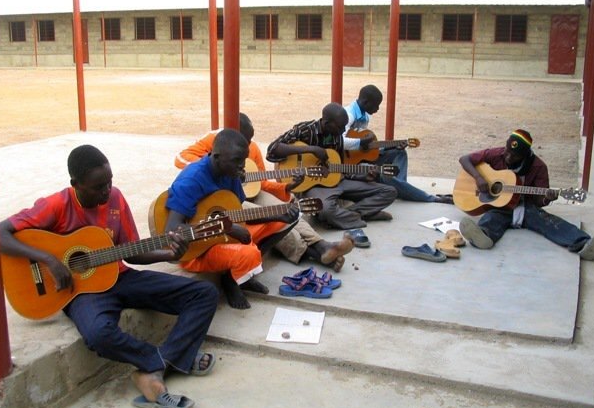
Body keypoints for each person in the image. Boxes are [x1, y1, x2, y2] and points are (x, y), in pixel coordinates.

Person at [0, 144, 219, 408]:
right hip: (80, 291)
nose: (106, 190)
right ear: (76, 184)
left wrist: (168, 254)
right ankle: (168, 359)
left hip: (120, 277)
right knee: (98, 334)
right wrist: (49, 260)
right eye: (98, 186)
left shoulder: (115, 198)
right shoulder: (56, 204)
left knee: (204, 293)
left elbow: (132, 251)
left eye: (109, 182)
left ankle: (156, 367)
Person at [174, 113, 354, 272]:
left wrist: (287, 187)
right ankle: (316, 253)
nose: (249, 144)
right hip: (216, 200)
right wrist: (214, 173)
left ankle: (322, 245)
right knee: (271, 220)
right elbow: (181, 158)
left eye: (250, 139)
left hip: (241, 196)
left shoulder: (249, 151)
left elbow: (262, 181)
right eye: (245, 139)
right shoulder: (214, 143)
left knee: (282, 209)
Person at [165, 128, 299, 310]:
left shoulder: (231, 173)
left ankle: (242, 273)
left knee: (285, 221)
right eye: (237, 160)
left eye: (243, 159)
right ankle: (230, 281)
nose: (242, 166)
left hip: (222, 237)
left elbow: (239, 215)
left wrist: (278, 215)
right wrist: (225, 228)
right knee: (249, 253)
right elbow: (171, 231)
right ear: (216, 156)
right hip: (196, 251)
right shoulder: (192, 179)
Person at [457, 129, 594, 259]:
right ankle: (482, 237)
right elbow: (465, 159)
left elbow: (539, 201)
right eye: (508, 151)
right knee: (491, 217)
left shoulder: (538, 167)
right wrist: (478, 178)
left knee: (548, 222)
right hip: (500, 207)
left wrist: (546, 198)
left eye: (515, 155)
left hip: (525, 207)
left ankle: (585, 245)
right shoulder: (496, 154)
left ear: (525, 155)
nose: (508, 157)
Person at [266, 102, 397, 231]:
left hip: (336, 181)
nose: (343, 131)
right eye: (340, 127)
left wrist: (363, 175)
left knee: (389, 192)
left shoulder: (337, 136)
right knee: (326, 209)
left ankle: (353, 214)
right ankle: (357, 214)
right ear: (327, 123)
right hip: (313, 185)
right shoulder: (305, 130)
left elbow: (339, 167)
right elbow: (272, 149)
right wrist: (312, 149)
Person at [343, 84, 453, 204]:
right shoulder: (349, 115)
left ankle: (400, 186)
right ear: (365, 102)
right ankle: (431, 198)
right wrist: (362, 142)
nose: (377, 109)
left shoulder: (365, 116)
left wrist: (391, 145)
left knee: (399, 152)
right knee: (385, 175)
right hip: (348, 163)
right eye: (376, 105)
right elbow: (341, 141)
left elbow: (366, 148)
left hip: (361, 159)